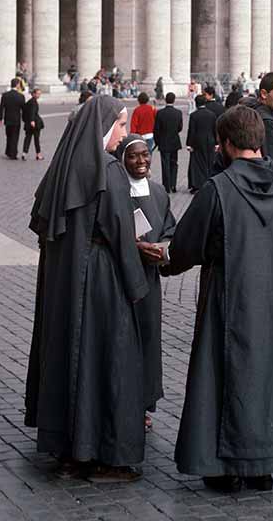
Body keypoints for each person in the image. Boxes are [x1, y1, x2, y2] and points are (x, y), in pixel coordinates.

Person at [167, 105, 273, 491]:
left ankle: (224, 469)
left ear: (226, 144)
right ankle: (262, 466)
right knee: (269, 377)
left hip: (228, 297)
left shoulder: (219, 188)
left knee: (221, 378)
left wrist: (162, 261)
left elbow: (186, 246)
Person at [25, 96, 149, 483]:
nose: (126, 134)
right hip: (100, 282)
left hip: (62, 279)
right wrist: (137, 285)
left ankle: (67, 450)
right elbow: (120, 235)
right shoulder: (108, 172)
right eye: (123, 125)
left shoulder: (62, 167)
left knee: (67, 358)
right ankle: (101, 454)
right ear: (105, 126)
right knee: (106, 363)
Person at [116, 135, 176, 431]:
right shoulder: (115, 192)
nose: (141, 161)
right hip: (121, 280)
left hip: (150, 279)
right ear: (122, 160)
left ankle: (142, 403)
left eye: (145, 155)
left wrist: (163, 248)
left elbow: (169, 227)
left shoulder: (158, 191)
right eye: (133, 156)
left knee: (149, 342)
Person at [153, 92, 183, 193]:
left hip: (164, 142)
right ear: (174, 100)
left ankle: (166, 186)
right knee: (174, 163)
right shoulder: (178, 113)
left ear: (166, 100)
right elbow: (180, 127)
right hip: (174, 141)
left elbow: (156, 130)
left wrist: (158, 142)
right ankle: (173, 185)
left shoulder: (160, 113)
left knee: (165, 164)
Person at [186, 95, 216, 192]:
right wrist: (216, 142)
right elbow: (214, 129)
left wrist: (189, 144)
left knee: (197, 163)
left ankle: (197, 184)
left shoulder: (194, 115)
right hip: (210, 140)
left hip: (198, 141)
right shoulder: (212, 114)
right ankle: (209, 182)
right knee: (209, 162)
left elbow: (192, 130)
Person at [0, 77, 26, 160]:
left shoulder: (5, 95)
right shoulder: (21, 96)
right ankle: (13, 153)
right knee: (15, 136)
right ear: (17, 85)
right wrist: (25, 119)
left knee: (8, 135)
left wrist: (0, 118)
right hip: (16, 119)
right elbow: (23, 109)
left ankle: (8, 151)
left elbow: (1, 107)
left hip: (7, 118)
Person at [22, 89, 45, 161]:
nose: (39, 95)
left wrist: (26, 121)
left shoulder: (29, 101)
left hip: (28, 123)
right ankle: (38, 154)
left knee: (27, 138)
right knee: (36, 139)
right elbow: (32, 112)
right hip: (34, 123)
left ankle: (24, 153)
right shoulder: (33, 102)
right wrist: (32, 121)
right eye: (38, 94)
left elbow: (24, 113)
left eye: (39, 94)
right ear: (33, 94)